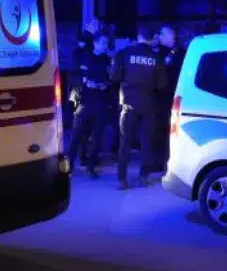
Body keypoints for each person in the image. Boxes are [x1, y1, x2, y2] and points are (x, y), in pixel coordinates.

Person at [110, 25, 167, 189]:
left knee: (125, 142)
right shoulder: (157, 58)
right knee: (147, 142)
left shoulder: (124, 54)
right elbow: (162, 84)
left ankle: (122, 179)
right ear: (152, 39)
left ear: (139, 37)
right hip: (149, 104)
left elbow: (114, 77)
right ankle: (143, 177)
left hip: (128, 104)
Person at [66, 33, 114, 178]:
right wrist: (85, 82)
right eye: (103, 43)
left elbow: (113, 79)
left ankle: (91, 167)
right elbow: (73, 77)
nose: (105, 46)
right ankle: (69, 165)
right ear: (95, 43)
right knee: (76, 135)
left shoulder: (107, 60)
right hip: (84, 101)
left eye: (107, 43)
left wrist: (106, 85)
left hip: (101, 102)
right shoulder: (84, 57)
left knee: (97, 137)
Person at [152, 25, 185, 173]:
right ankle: (158, 162)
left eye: (162, 34)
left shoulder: (179, 52)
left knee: (169, 131)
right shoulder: (161, 52)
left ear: (171, 36)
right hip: (160, 99)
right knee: (159, 130)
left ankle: (167, 162)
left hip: (172, 98)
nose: (159, 37)